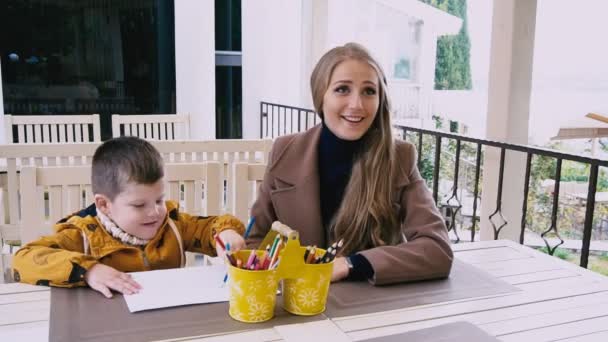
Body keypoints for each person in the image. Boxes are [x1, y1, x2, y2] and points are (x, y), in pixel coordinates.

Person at [247, 42, 453, 285]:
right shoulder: (285, 151)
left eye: (368, 91)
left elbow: (437, 250)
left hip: (371, 306)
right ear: (320, 96)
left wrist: (351, 264)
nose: (356, 105)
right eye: (342, 89)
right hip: (296, 305)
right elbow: (256, 241)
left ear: (380, 99)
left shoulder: (400, 157)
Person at [12, 136, 246, 298]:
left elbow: (208, 228)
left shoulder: (172, 226)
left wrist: (225, 232)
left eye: (159, 200)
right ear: (104, 204)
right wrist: (89, 270)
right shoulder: (82, 235)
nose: (154, 212)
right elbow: (23, 259)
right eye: (139, 205)